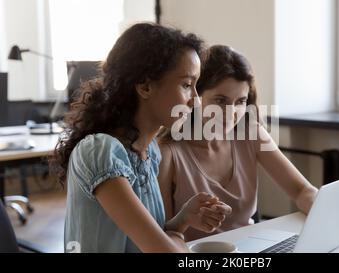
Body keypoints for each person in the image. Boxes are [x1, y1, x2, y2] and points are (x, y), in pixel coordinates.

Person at [50, 24, 231, 253]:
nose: (195, 100)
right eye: (186, 85)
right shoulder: (100, 151)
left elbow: (139, 240)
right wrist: (175, 238)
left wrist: (183, 219)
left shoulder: (149, 151)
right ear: (145, 87)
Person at [158, 45, 318, 241]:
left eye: (240, 101)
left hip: (250, 249)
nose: (231, 113)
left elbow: (302, 190)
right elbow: (162, 233)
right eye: (220, 100)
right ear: (194, 97)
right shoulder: (167, 152)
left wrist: (326, 214)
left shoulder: (251, 134)